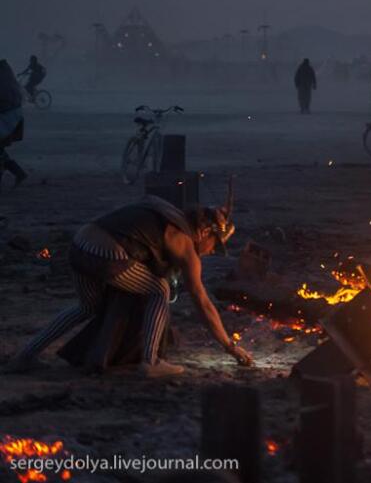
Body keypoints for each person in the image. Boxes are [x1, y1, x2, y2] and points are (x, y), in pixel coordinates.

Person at [5, 189, 253, 377]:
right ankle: (150, 362)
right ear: (206, 232)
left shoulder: (165, 211)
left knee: (87, 307)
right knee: (159, 290)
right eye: (215, 246)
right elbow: (202, 302)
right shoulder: (183, 240)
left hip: (80, 244)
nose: (210, 252)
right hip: (106, 254)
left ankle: (26, 355)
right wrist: (231, 347)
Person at [0, 60, 27, 189]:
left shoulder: (3, 80)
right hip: (10, 116)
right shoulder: (6, 75)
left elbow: (4, 100)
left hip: (7, 118)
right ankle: (18, 172)